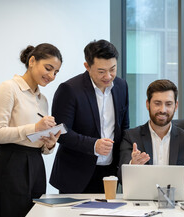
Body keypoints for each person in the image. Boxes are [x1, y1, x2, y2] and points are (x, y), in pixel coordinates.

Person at [0, 43, 63, 217]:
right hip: (10, 164)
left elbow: (36, 141)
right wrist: (35, 128)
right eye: (48, 68)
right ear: (32, 61)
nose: (52, 76)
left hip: (36, 165)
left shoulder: (43, 99)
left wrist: (49, 143)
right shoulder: (8, 88)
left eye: (56, 72)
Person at [50, 39, 129, 193]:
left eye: (112, 69)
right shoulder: (69, 89)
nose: (108, 76)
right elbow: (60, 133)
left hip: (110, 172)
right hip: (76, 173)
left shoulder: (121, 86)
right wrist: (93, 145)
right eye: (101, 71)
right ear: (87, 66)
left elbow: (124, 127)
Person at [118, 79, 184, 194]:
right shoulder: (131, 136)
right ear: (148, 104)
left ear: (176, 106)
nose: (163, 110)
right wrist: (132, 165)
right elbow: (121, 178)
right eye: (157, 103)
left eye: (168, 104)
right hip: (142, 203)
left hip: (176, 204)